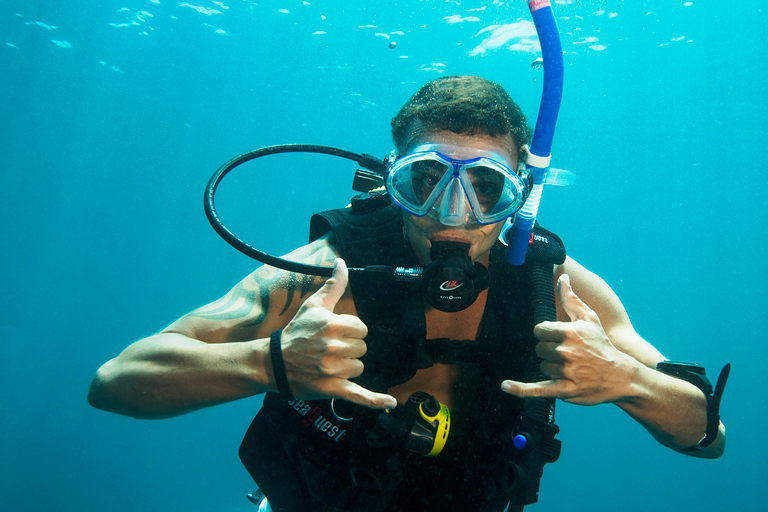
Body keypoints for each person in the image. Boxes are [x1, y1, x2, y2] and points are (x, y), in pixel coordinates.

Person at [88, 76, 726, 512]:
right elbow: (116, 381)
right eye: (425, 179)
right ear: (391, 179)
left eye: (484, 186)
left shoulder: (555, 290)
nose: (453, 212)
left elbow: (708, 435)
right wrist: (268, 362)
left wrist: (626, 380)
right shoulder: (320, 275)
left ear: (521, 198)